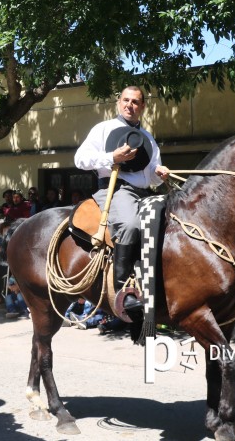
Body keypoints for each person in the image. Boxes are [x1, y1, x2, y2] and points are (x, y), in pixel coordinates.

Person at [73, 85, 170, 315]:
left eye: (135, 102)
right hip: (115, 190)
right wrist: (111, 157)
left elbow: (152, 176)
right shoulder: (104, 128)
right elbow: (80, 159)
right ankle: (123, 292)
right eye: (126, 100)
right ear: (119, 103)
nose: (130, 105)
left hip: (145, 193)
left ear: (143, 106)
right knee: (130, 225)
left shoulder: (147, 137)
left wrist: (160, 173)